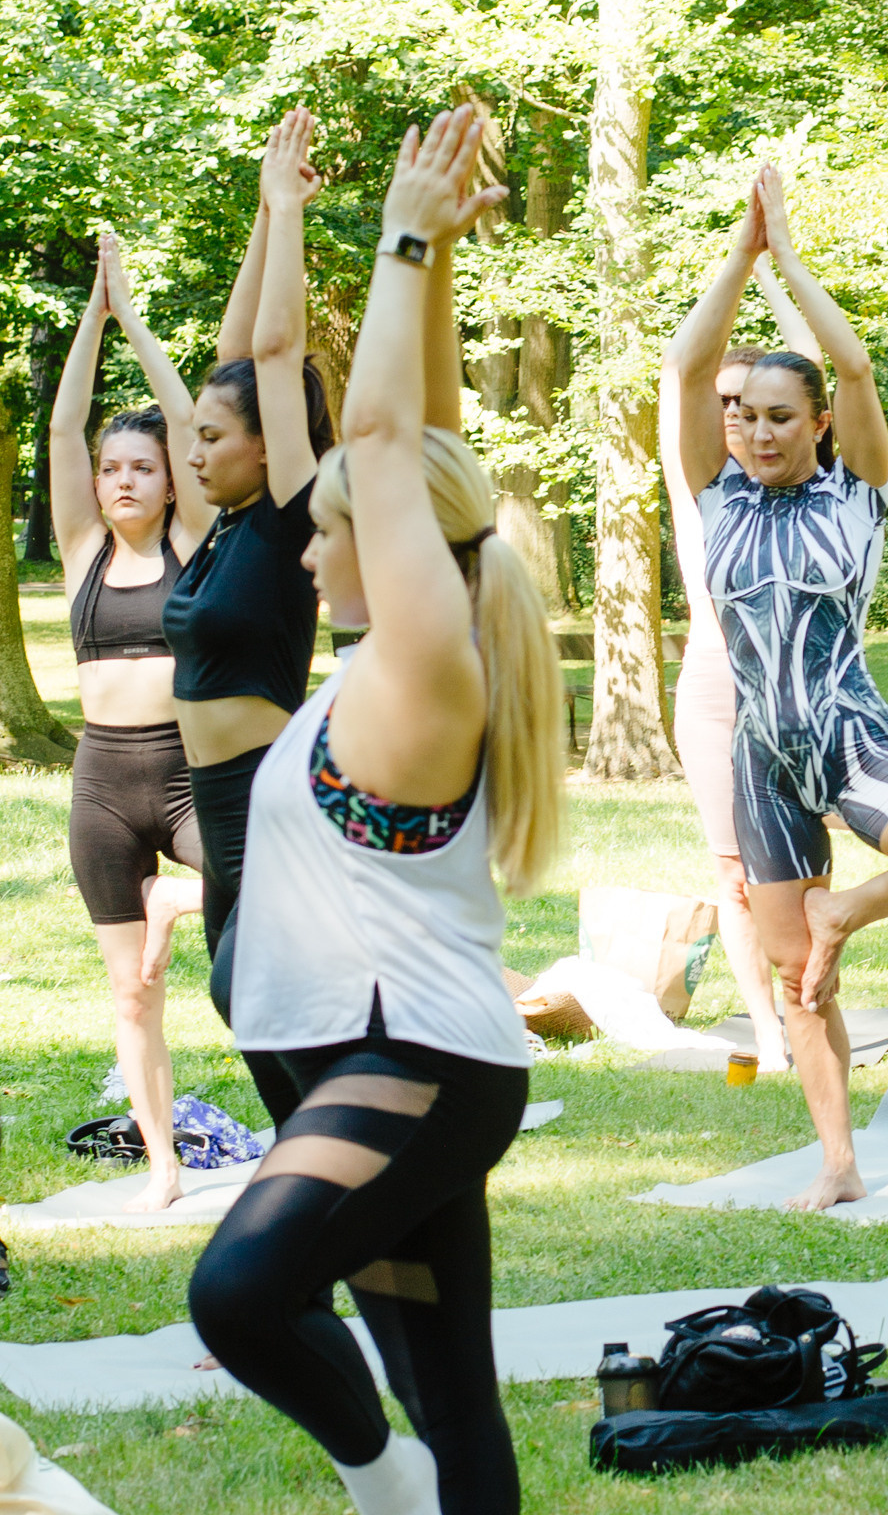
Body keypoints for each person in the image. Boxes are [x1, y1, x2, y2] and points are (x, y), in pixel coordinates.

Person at [188, 105, 562, 1515]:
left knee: (239, 1296)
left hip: (405, 1064)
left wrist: (403, 234)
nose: (317, 540)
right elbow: (432, 446)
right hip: (355, 1051)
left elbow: (394, 439)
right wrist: (445, 266)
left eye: (335, 524)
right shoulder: (399, 651)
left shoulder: (421, 672)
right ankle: (430, 1481)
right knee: (453, 1397)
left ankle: (382, 1486)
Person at [665, 162, 888, 1211]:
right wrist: (737, 256)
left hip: (850, 732)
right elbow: (687, 369)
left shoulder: (857, 494)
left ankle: (847, 908)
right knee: (794, 983)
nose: (759, 431)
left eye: (781, 415)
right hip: (760, 758)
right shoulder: (716, 493)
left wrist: (791, 258)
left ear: (817, 423)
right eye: (747, 417)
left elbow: (854, 365)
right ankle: (837, 1158)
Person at [161, 108, 338, 1133]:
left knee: (252, 994)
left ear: (268, 446)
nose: (193, 449)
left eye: (213, 436)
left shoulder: (285, 517)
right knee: (246, 1007)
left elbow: (273, 347)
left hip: (272, 799)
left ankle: (338, 1163)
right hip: (216, 804)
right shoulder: (227, 521)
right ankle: (309, 1164)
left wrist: (289, 218)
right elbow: (240, 352)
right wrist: (262, 223)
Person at [50, 232, 218, 1212]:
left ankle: (174, 901)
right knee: (132, 993)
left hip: (188, 773)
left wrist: (137, 321)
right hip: (102, 787)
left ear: (167, 479)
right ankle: (161, 1161)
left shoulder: (192, 542)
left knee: (257, 878)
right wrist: (93, 313)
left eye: (141, 466)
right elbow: (64, 424)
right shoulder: (78, 551)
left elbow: (190, 413)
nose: (121, 479)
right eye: (112, 467)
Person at [659, 260, 823, 1072]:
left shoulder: (807, 486)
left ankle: (811, 1007)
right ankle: (767, 1027)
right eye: (722, 403)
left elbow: (817, 372)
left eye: (750, 404)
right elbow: (680, 372)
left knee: (802, 869)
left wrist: (768, 279)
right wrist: (733, 266)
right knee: (732, 869)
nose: (733, 416)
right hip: (717, 692)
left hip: (798, 691)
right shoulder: (701, 486)